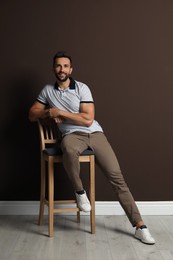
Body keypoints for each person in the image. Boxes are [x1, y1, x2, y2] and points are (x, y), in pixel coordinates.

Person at [29, 51, 155, 245]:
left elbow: (88, 119)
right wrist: (48, 112)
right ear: (53, 68)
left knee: (117, 177)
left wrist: (61, 112)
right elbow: (32, 114)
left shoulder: (82, 88)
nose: (61, 69)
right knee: (69, 149)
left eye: (65, 66)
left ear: (71, 69)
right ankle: (80, 192)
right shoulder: (47, 90)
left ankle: (140, 226)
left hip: (95, 134)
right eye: (58, 66)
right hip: (71, 136)